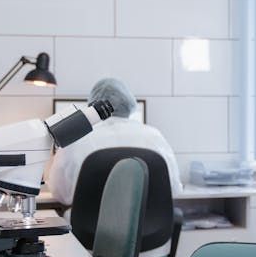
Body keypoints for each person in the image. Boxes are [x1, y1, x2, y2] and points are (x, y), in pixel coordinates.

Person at [46, 78, 183, 207]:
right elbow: (174, 189)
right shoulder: (154, 136)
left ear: (93, 106)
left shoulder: (77, 136)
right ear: (129, 104)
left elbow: (61, 194)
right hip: (147, 227)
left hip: (89, 229)